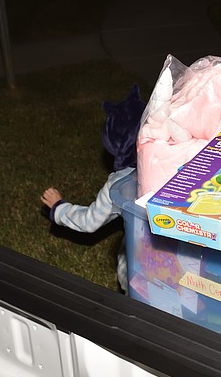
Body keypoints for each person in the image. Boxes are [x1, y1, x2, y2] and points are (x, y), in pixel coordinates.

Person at [41, 84, 145, 292]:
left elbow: (89, 221)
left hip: (139, 271)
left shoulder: (119, 186)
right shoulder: (179, 165)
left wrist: (59, 207)